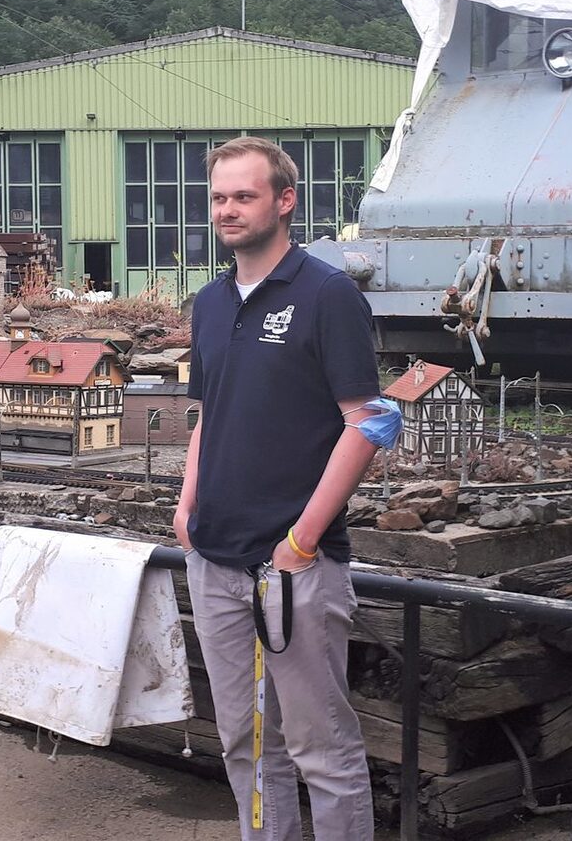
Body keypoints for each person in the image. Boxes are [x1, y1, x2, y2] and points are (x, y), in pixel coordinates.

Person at [175, 136, 384, 841]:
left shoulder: (327, 295)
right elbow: (209, 413)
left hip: (294, 565)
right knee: (244, 741)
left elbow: (365, 423)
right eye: (218, 198)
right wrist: (186, 507)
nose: (227, 210)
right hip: (214, 556)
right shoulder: (209, 303)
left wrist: (302, 540)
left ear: (285, 201)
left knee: (322, 749)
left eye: (245, 195)